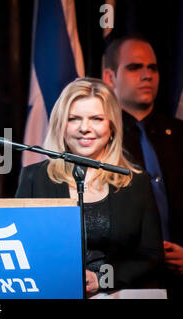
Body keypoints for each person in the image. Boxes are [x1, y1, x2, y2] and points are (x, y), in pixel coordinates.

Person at [16, 78, 163, 295]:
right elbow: (20, 247)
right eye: (74, 119)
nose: (85, 128)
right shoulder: (34, 177)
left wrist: (102, 278)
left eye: (96, 118)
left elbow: (151, 255)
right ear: (60, 125)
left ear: (111, 125)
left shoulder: (135, 181)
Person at [102, 36, 183, 299]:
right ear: (110, 77)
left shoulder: (181, 135)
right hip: (125, 285)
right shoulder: (97, 140)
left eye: (153, 68)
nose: (147, 75)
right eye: (135, 67)